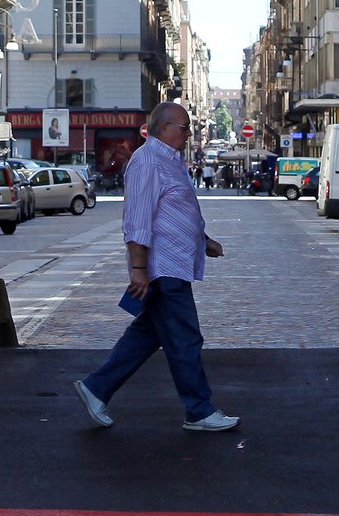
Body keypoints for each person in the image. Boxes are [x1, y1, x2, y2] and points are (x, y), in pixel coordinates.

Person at [73, 102, 239, 432]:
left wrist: (203, 239)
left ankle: (96, 388)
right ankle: (199, 410)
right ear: (163, 128)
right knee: (186, 338)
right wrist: (138, 269)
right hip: (163, 266)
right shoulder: (148, 162)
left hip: (172, 261)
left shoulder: (170, 161)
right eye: (184, 127)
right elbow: (137, 219)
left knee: (148, 334)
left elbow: (172, 211)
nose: (190, 133)